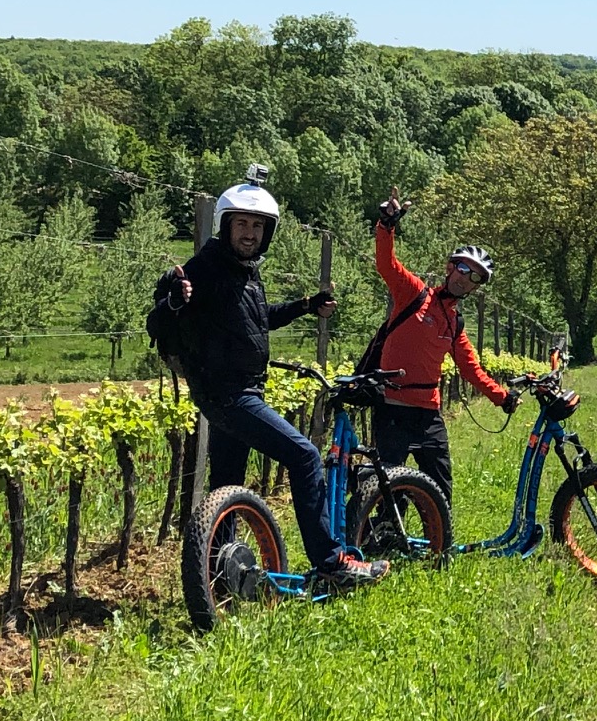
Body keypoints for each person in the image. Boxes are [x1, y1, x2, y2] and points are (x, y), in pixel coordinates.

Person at [149, 170, 385, 584]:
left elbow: (259, 320)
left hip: (233, 394)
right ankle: (332, 564)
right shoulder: (205, 268)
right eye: (241, 223)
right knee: (305, 456)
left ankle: (217, 574)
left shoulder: (244, 271)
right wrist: (171, 302)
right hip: (231, 395)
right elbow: (159, 321)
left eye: (258, 226)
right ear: (225, 225)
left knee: (227, 486)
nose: (249, 233)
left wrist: (305, 305)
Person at [364, 187, 522, 502]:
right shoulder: (414, 294)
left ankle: (440, 550)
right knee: (385, 492)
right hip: (392, 408)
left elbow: (471, 369)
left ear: (477, 288)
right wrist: (387, 226)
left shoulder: (454, 324)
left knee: (439, 492)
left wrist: (501, 397)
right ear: (450, 268)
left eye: (475, 277)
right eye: (463, 269)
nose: (465, 279)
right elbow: (387, 264)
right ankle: (378, 541)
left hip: (428, 415)